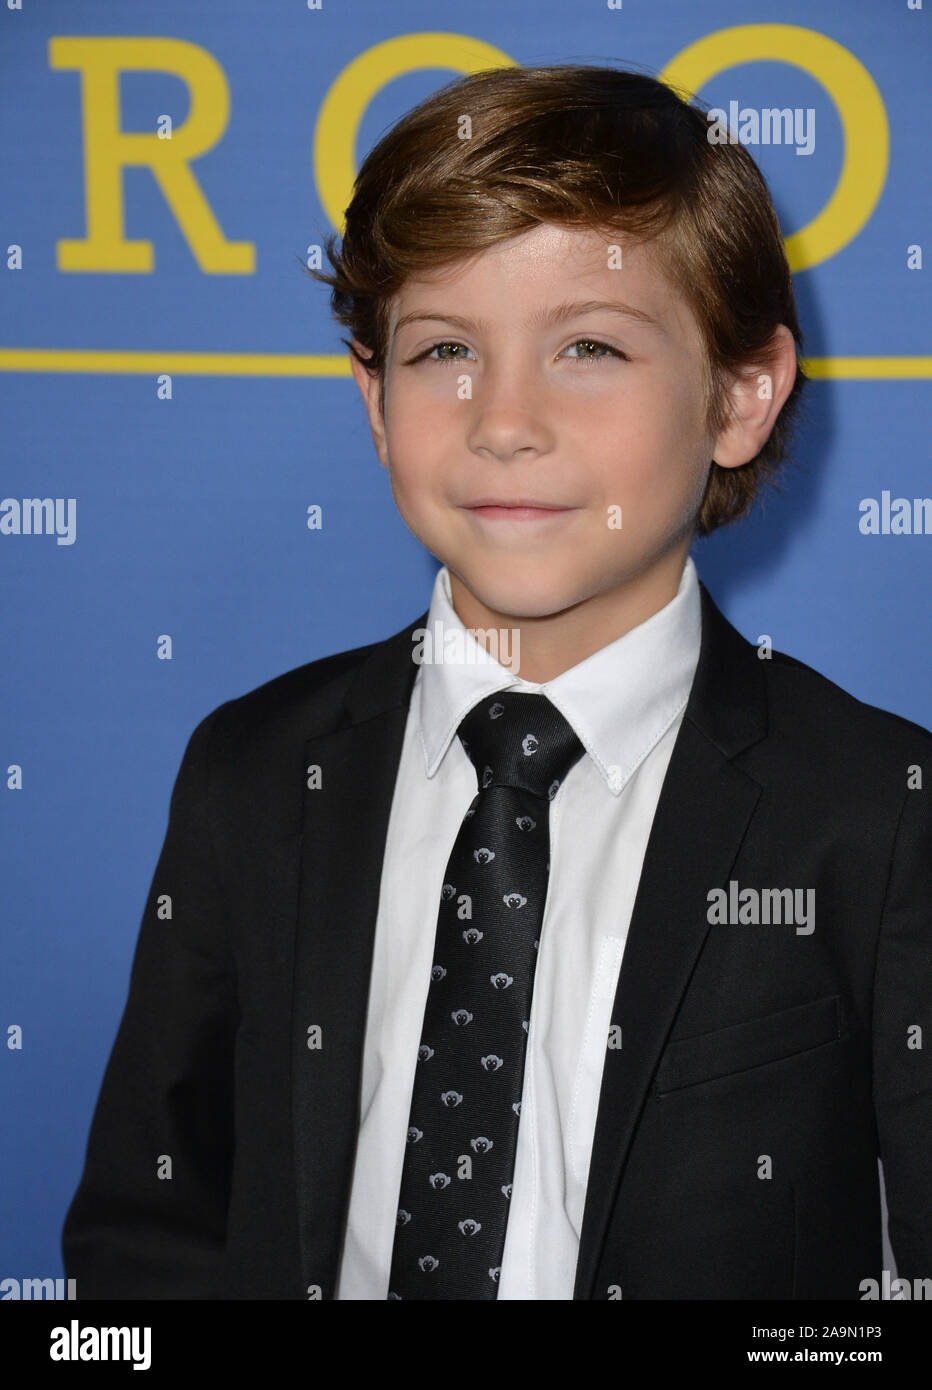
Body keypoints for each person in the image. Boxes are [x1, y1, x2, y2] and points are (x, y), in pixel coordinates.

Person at [62, 63, 932, 1300]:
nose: (502, 418)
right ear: (372, 398)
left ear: (741, 395)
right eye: (443, 351)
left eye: (587, 345)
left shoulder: (882, 811)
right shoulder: (254, 771)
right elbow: (149, 1230)